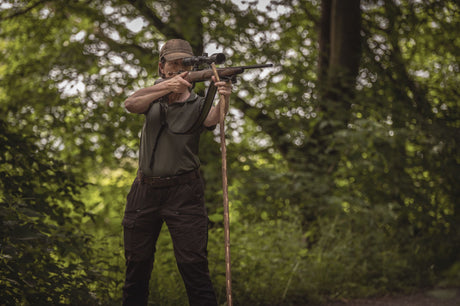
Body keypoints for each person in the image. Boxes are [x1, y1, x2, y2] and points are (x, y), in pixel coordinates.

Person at [121, 38, 231, 306]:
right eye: (173, 63)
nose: (179, 67)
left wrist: (224, 98)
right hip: (144, 191)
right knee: (137, 265)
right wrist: (167, 86)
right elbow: (131, 103)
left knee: (193, 265)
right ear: (162, 67)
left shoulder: (198, 103)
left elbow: (213, 118)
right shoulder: (152, 97)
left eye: (185, 63)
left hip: (185, 193)